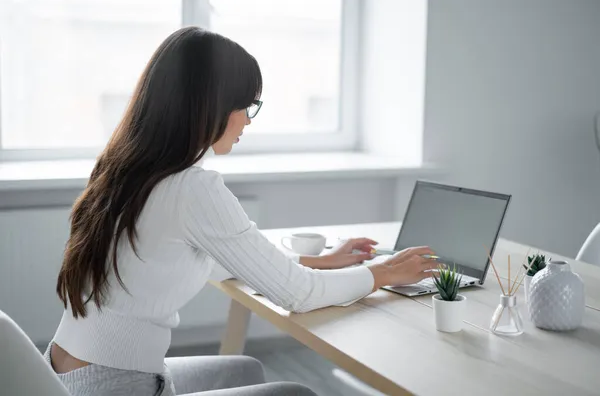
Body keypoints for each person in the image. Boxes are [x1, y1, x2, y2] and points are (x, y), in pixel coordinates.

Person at [45, 27, 437, 396]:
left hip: (63, 374)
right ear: (211, 106)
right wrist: (385, 272)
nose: (249, 119)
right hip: (118, 385)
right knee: (296, 393)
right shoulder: (191, 187)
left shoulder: (126, 169)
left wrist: (319, 262)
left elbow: (221, 260)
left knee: (244, 370)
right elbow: (298, 295)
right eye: (246, 105)